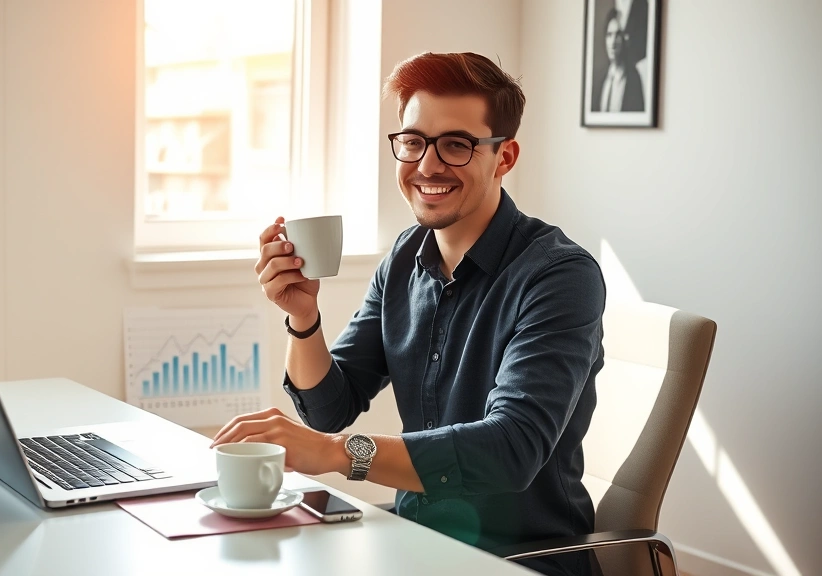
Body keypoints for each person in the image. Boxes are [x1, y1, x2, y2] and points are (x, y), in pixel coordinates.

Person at [211, 52, 606, 576]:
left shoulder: (560, 275)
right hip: (414, 544)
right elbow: (331, 407)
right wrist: (303, 316)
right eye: (414, 141)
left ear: (504, 157)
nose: (427, 165)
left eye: (457, 145)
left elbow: (512, 449)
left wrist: (336, 453)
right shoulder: (406, 256)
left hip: (521, 559)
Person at [595, 7, 645, 113]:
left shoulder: (633, 78)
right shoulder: (600, 78)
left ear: (624, 39)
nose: (612, 42)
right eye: (609, 35)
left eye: (617, 35)